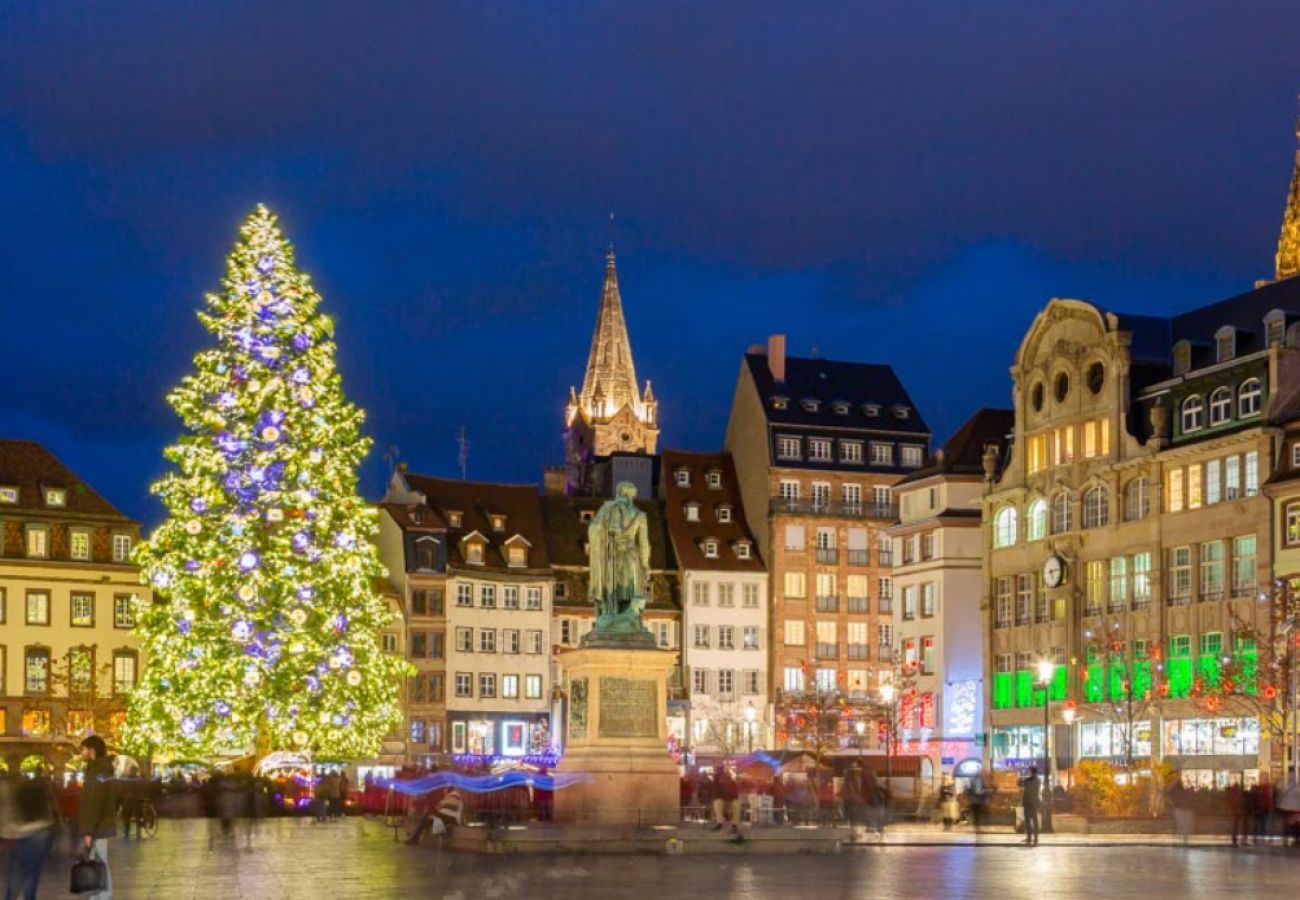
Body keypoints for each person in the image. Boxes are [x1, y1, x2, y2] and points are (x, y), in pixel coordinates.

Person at [3, 771, 58, 900]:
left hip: (22, 833)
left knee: (16, 873)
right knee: (32, 874)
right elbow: (50, 813)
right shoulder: (41, 794)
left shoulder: (19, 793)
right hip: (40, 834)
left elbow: (13, 814)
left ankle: (10, 897)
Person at [78, 735, 116, 900]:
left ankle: (104, 895)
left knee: (100, 861)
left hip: (98, 826)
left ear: (92, 751)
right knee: (98, 860)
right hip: (100, 824)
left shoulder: (98, 771)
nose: (82, 753)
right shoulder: (100, 769)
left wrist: (88, 831)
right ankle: (99, 895)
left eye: (83, 749)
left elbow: (93, 802)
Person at [713, 766, 740, 833]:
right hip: (722, 801)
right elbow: (716, 795)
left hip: (730, 800)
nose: (723, 778)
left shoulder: (732, 783)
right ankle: (720, 823)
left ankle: (734, 824)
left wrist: (730, 797)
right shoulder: (716, 783)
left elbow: (736, 794)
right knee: (717, 802)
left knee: (736, 803)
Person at [1020, 766, 1041, 846]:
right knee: (1033, 821)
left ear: (1032, 772)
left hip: (1030, 803)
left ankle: (1031, 839)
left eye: (1029, 771)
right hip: (1033, 803)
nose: (1028, 772)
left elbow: (1020, 783)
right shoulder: (1037, 780)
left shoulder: (1030, 780)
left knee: (1030, 821)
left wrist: (1024, 778)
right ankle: (1033, 839)